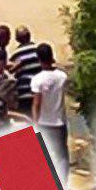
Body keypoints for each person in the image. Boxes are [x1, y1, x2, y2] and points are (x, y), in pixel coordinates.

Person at [30, 43, 70, 182]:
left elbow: (36, 104)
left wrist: (35, 123)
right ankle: (63, 183)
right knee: (62, 156)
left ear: (38, 58)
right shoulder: (62, 76)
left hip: (43, 122)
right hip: (59, 122)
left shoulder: (37, 80)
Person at [8, 26, 41, 117]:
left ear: (17, 39)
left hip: (24, 93)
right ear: (29, 35)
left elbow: (11, 70)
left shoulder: (16, 53)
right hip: (40, 92)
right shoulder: (38, 49)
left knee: (26, 120)